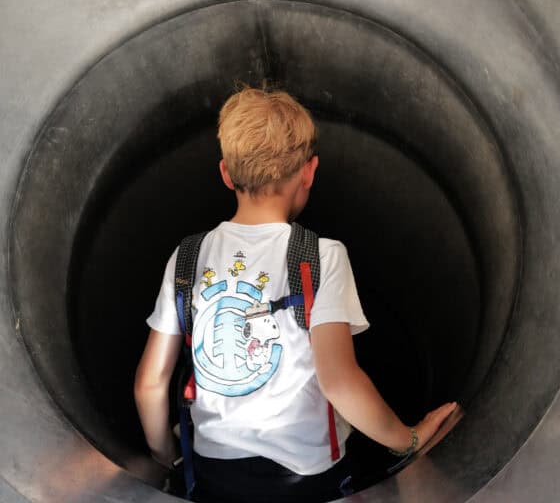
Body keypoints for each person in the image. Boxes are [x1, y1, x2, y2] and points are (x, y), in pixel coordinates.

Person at [134, 87, 457, 502]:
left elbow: (150, 384)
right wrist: (407, 441)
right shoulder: (321, 256)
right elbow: (340, 382)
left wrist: (167, 461)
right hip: (310, 481)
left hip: (214, 478)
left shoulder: (188, 256)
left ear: (226, 174)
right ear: (309, 171)